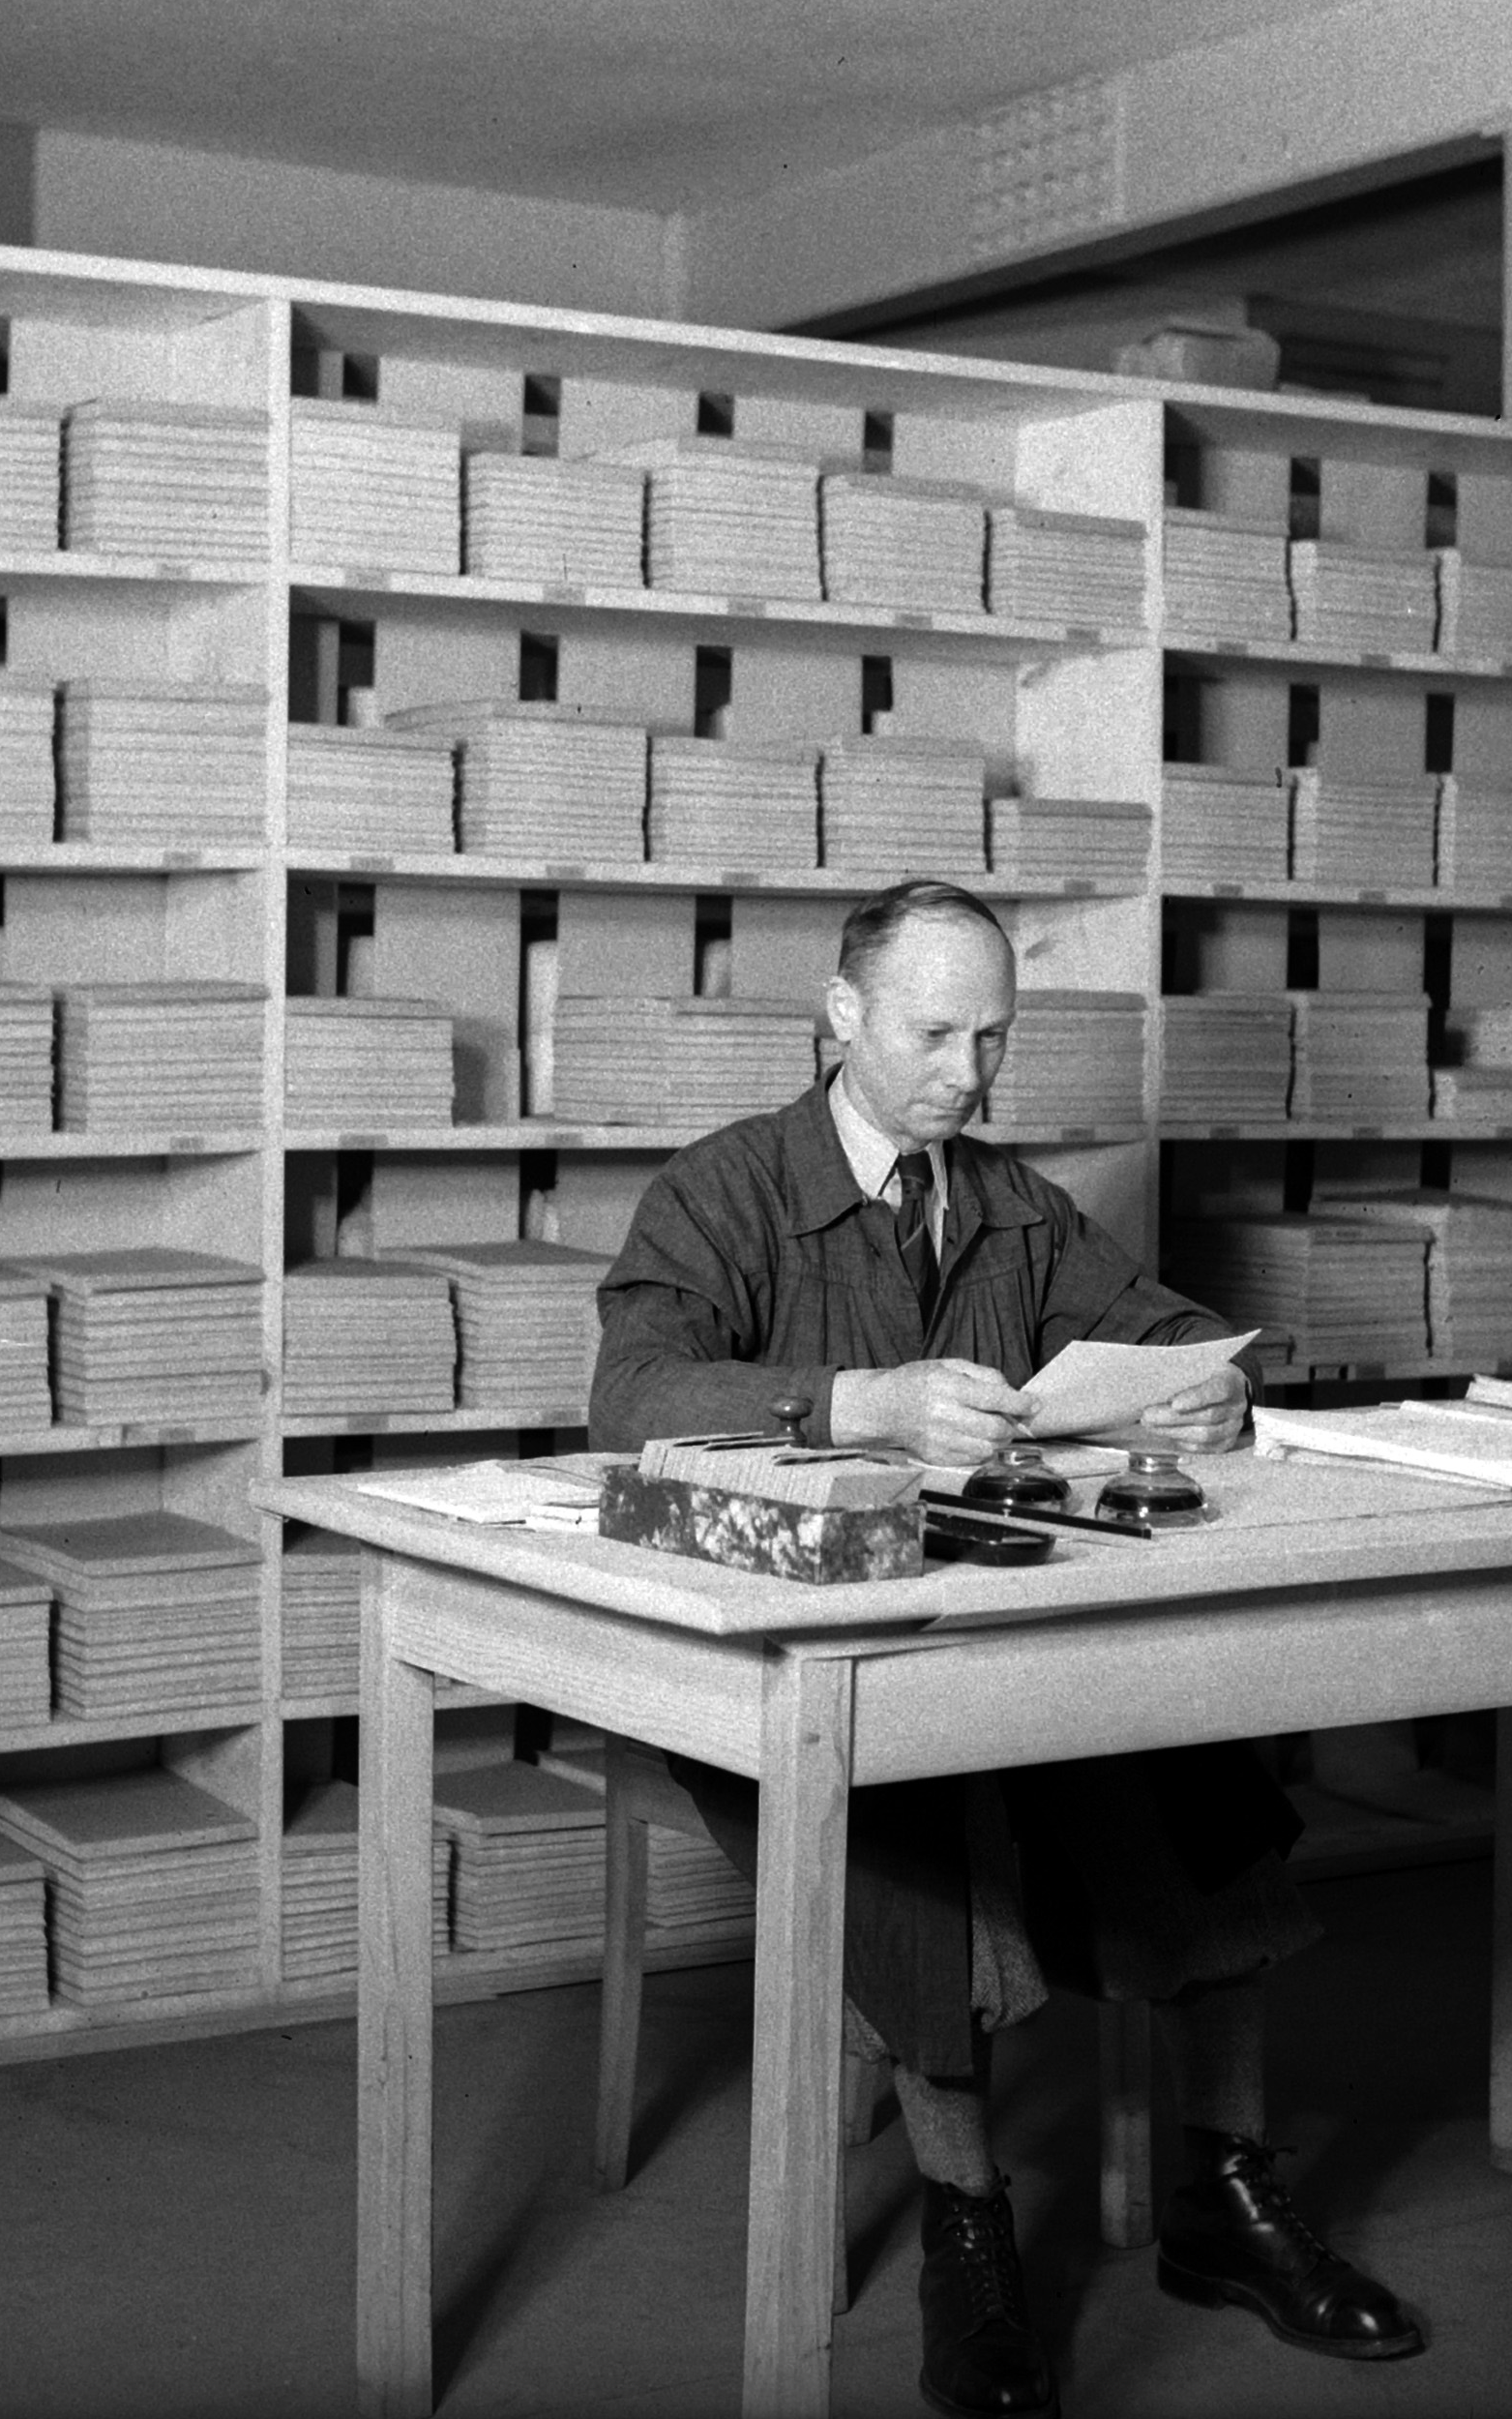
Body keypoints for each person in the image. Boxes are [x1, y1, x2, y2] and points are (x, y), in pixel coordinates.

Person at [592, 880, 1423, 2417]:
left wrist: (1204, 1391)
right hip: (780, 1655)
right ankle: (968, 2231)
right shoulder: (721, 1190)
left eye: (993, 1037)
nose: (969, 1074)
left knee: (1196, 1763)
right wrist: (859, 1404)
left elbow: (1168, 1329)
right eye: (935, 1035)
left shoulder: (1011, 1204)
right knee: (919, 1822)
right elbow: (631, 1397)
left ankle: (1227, 2194)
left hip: (985, 1617)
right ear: (842, 1016)